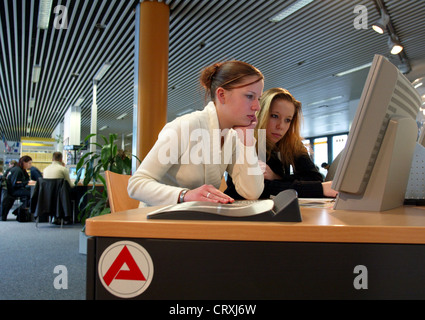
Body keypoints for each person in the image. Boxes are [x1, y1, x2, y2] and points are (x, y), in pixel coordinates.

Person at [128, 60, 265, 206]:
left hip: (194, 220)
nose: (256, 107)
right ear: (222, 95)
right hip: (159, 219)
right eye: (250, 96)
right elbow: (136, 185)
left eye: (258, 98)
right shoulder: (186, 126)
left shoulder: (232, 137)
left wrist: (247, 140)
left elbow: (252, 192)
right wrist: (185, 195)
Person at [226, 87, 338, 199]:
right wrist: (319, 188)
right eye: (275, 116)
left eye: (287, 120)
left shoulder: (292, 143)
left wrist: (277, 177)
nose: (281, 126)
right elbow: (257, 190)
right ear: (260, 114)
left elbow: (314, 178)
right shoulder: (245, 140)